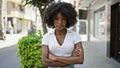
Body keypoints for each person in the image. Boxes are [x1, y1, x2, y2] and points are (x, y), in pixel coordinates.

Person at [42, 2, 84, 68]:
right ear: (52, 20)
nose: (60, 22)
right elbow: (45, 62)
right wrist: (71, 58)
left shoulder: (75, 36)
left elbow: (80, 60)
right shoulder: (47, 37)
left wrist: (56, 58)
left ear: (68, 20)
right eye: (56, 19)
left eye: (63, 19)